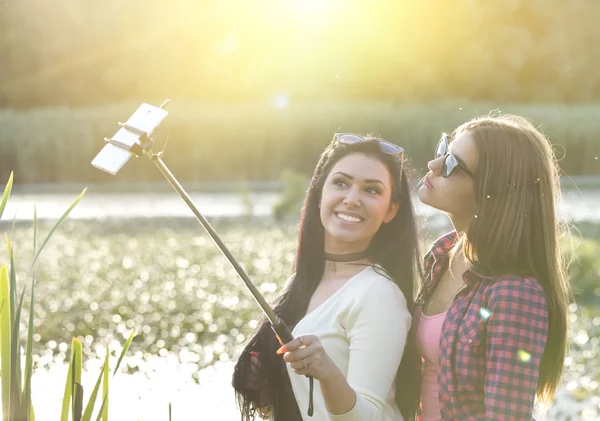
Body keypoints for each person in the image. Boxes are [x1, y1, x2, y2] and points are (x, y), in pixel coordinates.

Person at [232, 133, 422, 421]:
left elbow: (368, 416)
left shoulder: (379, 294)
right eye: (341, 183)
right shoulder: (306, 280)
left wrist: (327, 373)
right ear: (320, 193)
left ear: (391, 211)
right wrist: (263, 388)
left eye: (371, 190)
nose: (352, 199)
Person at [415, 114, 572, 420]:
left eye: (451, 164)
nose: (433, 165)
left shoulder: (514, 294)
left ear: (494, 191)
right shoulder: (441, 255)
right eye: (443, 149)